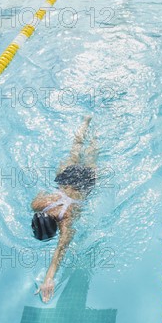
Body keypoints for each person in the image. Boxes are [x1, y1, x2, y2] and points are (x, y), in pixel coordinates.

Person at [31, 115, 97, 302]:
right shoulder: (40, 204)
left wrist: (48, 279)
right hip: (65, 177)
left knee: (92, 154)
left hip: (85, 184)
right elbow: (39, 195)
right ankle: (86, 122)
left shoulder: (66, 221)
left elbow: (60, 251)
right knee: (75, 149)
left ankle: (96, 136)